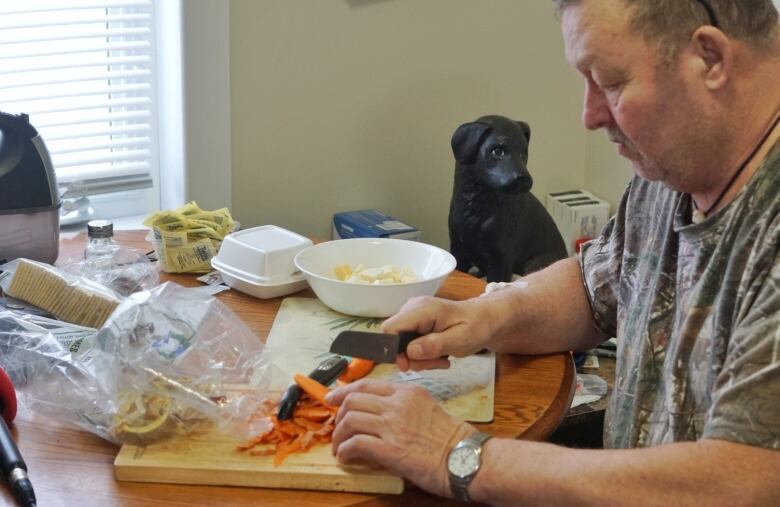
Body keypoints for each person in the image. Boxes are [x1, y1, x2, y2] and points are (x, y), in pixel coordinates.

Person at [324, 0, 780, 504]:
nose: (589, 115)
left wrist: (455, 452)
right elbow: (594, 288)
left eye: (609, 81)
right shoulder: (676, 166)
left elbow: (746, 479)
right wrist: (486, 314)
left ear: (710, 59)